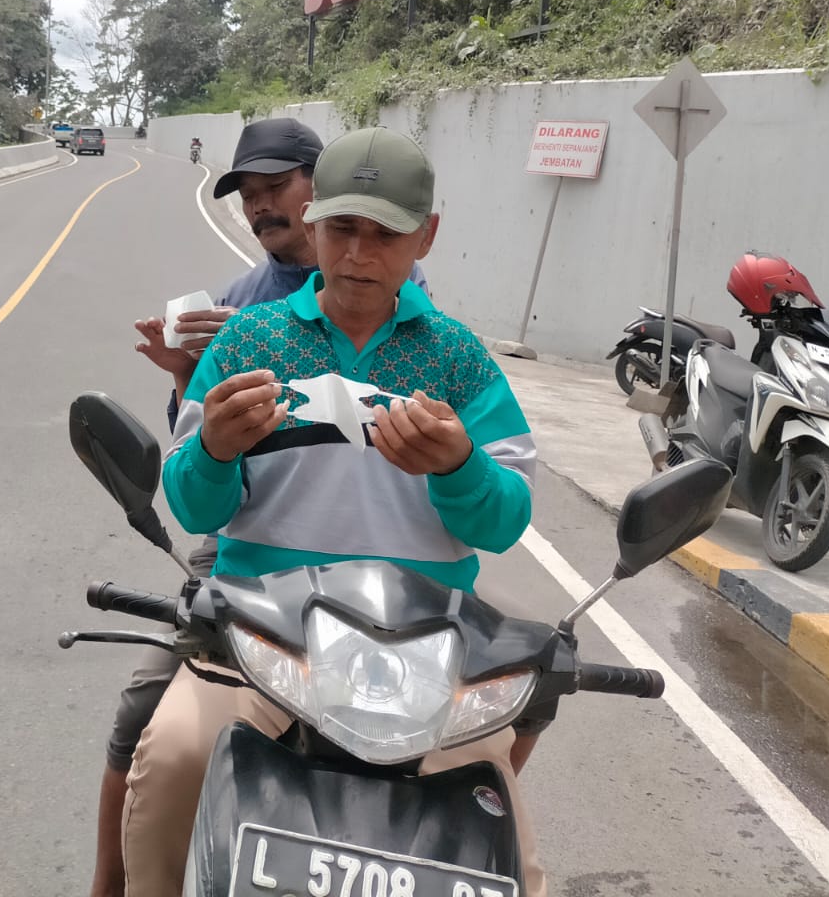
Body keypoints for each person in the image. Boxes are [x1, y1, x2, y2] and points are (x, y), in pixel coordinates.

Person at [121, 128, 544, 897]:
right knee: (176, 754)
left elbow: (505, 518)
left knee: (499, 831)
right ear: (313, 222)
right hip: (260, 639)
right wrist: (213, 448)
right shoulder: (248, 340)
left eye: (385, 234)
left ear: (427, 236)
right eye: (343, 228)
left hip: (425, 652)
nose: (358, 253)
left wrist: (459, 467)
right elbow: (190, 503)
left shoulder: (459, 358)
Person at [88, 118, 434, 897]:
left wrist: (461, 472)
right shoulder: (240, 309)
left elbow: (483, 484)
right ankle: (113, 881)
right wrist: (187, 378)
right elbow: (198, 473)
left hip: (389, 564)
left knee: (512, 693)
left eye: (276, 187)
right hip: (257, 554)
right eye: (248, 194)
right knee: (147, 714)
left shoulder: (412, 308)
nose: (260, 207)